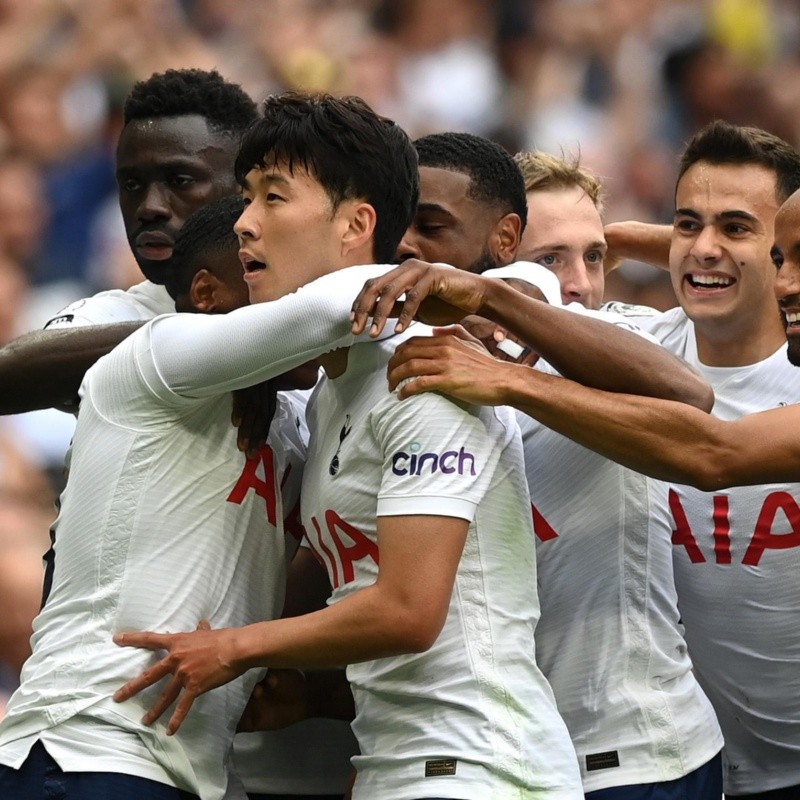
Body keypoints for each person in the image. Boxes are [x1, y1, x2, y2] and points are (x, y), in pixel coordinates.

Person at [106, 92, 719, 800]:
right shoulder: (333, 387)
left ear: (356, 225)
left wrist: (234, 649)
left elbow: (409, 611)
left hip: (485, 769)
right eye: (246, 199)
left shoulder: (431, 368)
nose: (245, 224)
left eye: (272, 198)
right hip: (398, 767)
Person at [380, 121, 800, 800]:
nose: (571, 286)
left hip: (680, 760)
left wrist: (513, 340)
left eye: (594, 258)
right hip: (672, 761)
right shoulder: (634, 338)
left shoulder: (635, 361)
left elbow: (711, 448)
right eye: (687, 223)